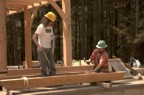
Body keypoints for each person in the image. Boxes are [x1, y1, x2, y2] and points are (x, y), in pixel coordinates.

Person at [32, 11, 56, 76]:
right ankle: (44, 79)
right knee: (43, 66)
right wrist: (39, 46)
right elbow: (34, 37)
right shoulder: (41, 26)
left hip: (49, 48)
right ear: (47, 20)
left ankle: (54, 78)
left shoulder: (50, 27)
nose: (52, 22)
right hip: (42, 49)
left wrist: (53, 37)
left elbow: (50, 36)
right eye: (51, 21)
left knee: (52, 64)